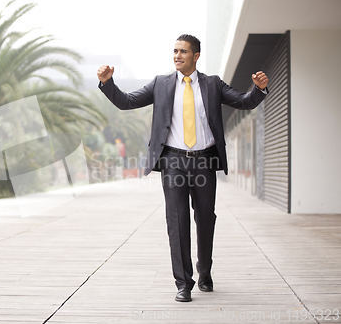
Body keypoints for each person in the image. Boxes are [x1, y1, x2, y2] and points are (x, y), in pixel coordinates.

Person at [96, 34, 268, 302]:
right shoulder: (161, 84)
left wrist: (258, 89)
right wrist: (107, 83)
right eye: (175, 51)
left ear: (196, 56)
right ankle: (183, 283)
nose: (177, 55)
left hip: (204, 160)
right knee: (176, 221)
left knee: (205, 218)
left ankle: (204, 272)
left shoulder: (212, 84)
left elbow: (243, 101)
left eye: (183, 52)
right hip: (173, 161)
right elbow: (127, 101)